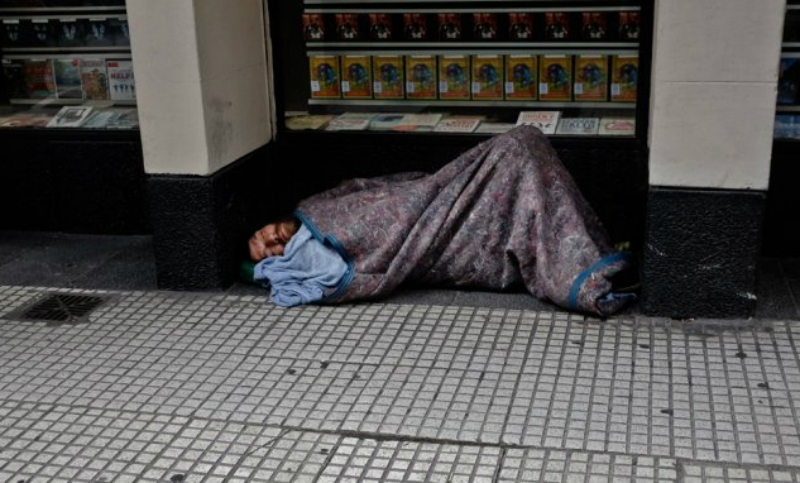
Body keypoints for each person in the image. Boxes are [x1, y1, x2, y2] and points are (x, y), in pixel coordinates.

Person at [247, 125, 634, 315]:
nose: (270, 239)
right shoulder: (311, 251)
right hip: (433, 225)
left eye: (261, 234)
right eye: (269, 250)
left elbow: (370, 188)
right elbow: (346, 272)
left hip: (430, 192)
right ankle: (582, 265)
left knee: (523, 146)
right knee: (517, 151)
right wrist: (287, 258)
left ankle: (584, 250)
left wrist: (420, 190)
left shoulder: (312, 206)